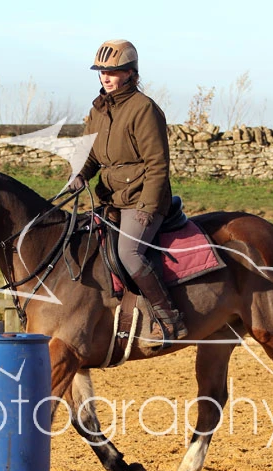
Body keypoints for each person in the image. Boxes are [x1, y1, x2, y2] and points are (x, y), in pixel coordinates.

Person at [67, 39, 188, 348]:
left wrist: (147, 207)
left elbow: (157, 164)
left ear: (130, 73)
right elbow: (90, 155)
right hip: (111, 198)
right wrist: (80, 174)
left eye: (112, 72)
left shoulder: (144, 109)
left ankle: (169, 319)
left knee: (129, 253)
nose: (105, 78)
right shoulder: (98, 110)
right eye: (101, 72)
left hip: (142, 199)